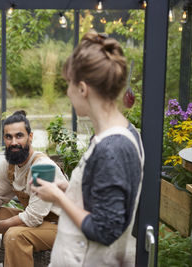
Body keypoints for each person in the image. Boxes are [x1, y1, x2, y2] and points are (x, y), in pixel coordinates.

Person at [32, 31, 145, 267]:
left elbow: (104, 230)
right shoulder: (119, 133)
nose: (67, 92)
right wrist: (71, 187)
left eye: (68, 84)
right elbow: (102, 197)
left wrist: (59, 198)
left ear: (82, 88)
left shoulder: (112, 148)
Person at [0, 110, 68, 267]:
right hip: (38, 220)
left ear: (30, 137)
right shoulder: (9, 165)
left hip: (61, 227)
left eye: (19, 136)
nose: (13, 142)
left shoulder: (43, 167)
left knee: (15, 235)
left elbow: (32, 218)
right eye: (9, 137)